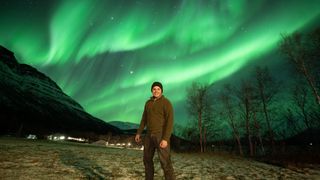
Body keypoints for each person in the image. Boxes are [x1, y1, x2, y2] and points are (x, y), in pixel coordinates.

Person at [135, 81, 175, 180]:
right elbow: (144, 119)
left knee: (165, 163)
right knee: (147, 160)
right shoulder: (147, 103)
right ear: (151, 91)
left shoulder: (166, 103)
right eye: (154, 89)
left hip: (160, 135)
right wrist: (139, 133)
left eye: (158, 89)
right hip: (148, 136)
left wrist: (165, 139)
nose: (156, 91)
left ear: (161, 90)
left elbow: (170, 121)